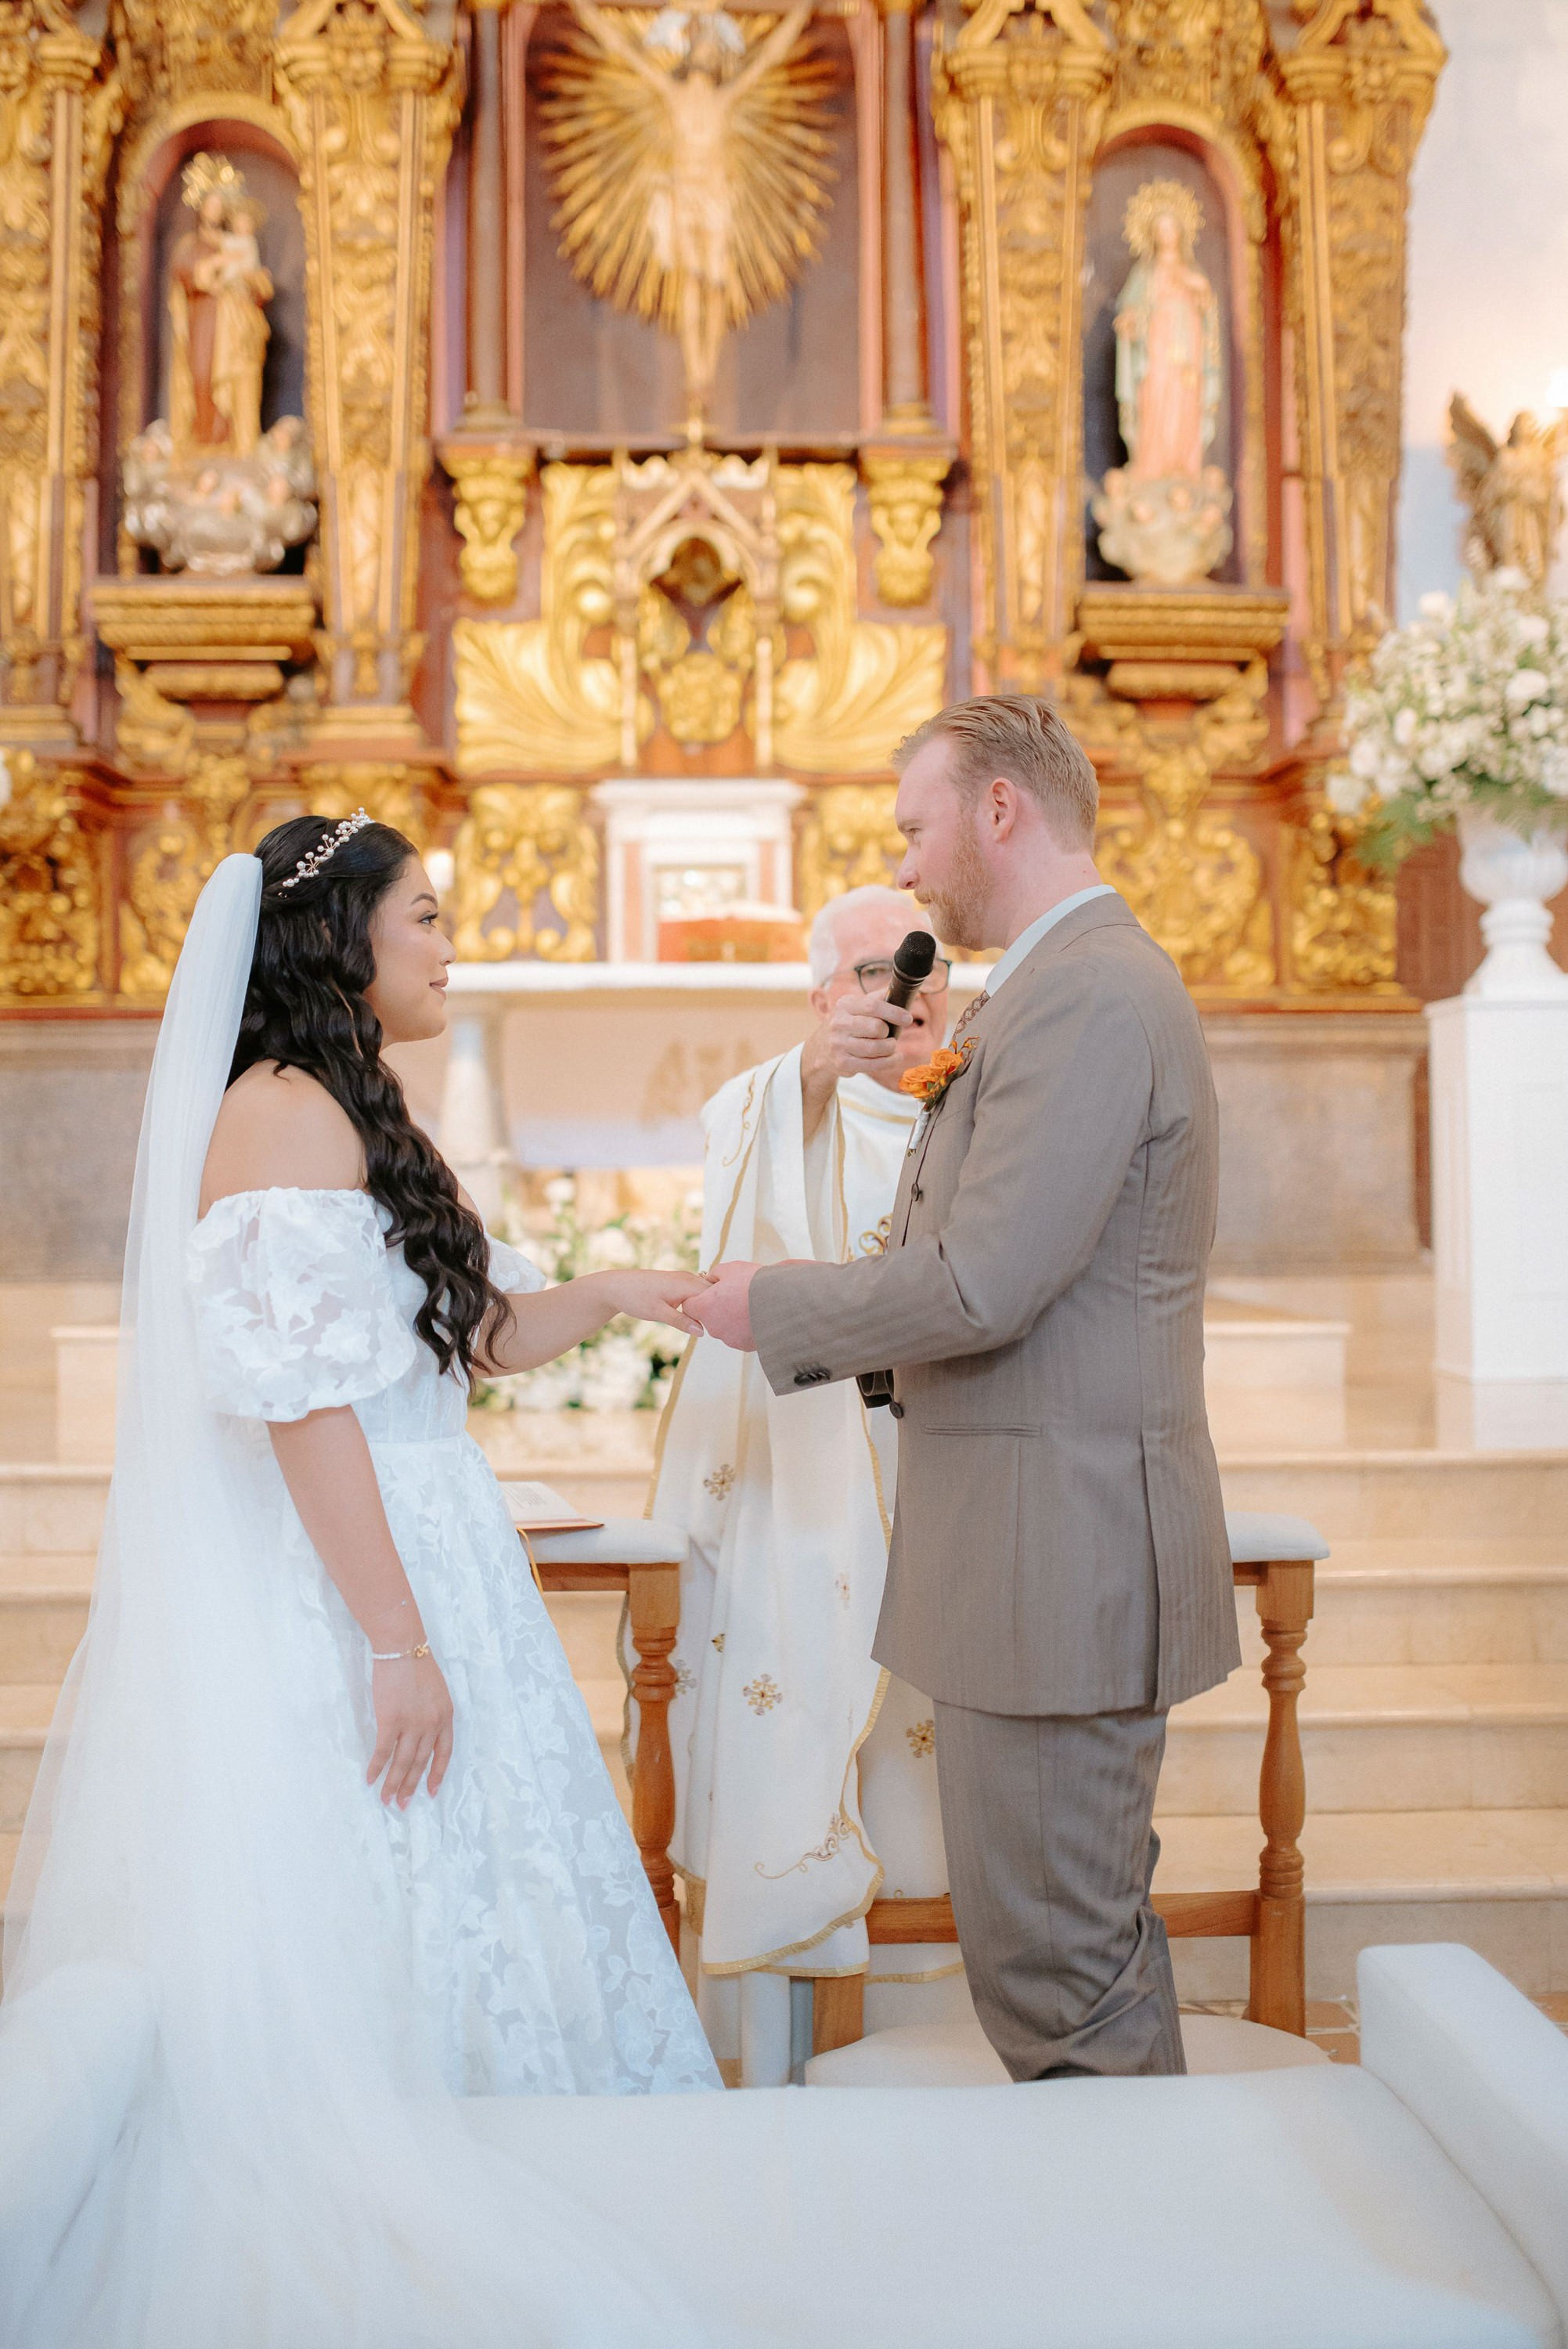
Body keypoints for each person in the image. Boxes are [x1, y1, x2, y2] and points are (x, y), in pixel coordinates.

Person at [1, 814, 718, 2347]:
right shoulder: (278, 1114)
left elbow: (461, 1340)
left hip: (420, 1543)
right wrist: (394, 1640)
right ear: (345, 942)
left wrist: (615, 1293)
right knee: (387, 1865)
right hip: (354, 1574)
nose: (454, 944)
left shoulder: (347, 1098)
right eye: (428, 918)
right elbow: (301, 1397)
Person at [690, 693, 1240, 2083]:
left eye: (919, 827)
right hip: (1034, 1548)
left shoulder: (1093, 993)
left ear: (1001, 808)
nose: (914, 867)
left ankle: (1139, 2289)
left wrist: (782, 1307)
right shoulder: (1053, 986)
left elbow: (986, 1279)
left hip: (1060, 1554)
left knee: (1064, 1983)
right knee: (1055, 1961)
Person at [649, 885, 958, 2084]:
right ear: (823, 995)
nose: (901, 998)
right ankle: (774, 2044)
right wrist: (817, 1080)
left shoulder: (978, 1101)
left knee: (915, 1756)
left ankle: (921, 2044)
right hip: (793, 1474)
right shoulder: (767, 1100)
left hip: (928, 1464)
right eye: (872, 975)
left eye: (921, 974)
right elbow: (748, 1226)